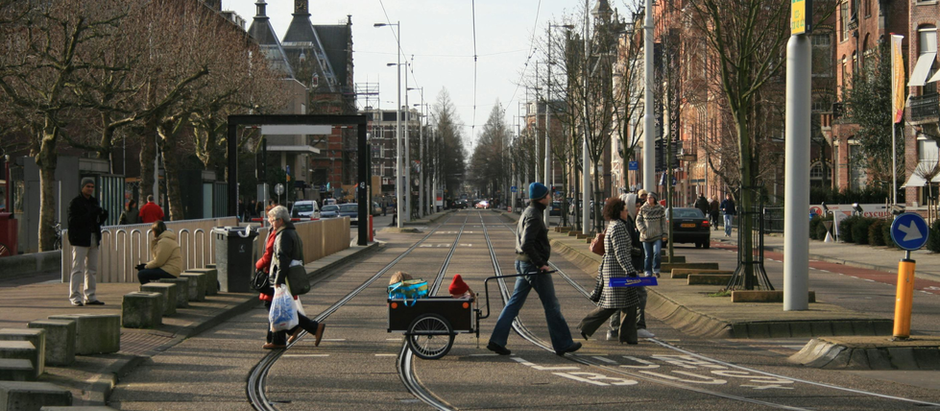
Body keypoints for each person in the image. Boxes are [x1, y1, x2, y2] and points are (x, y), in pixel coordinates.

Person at [487, 182, 582, 357]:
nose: (550, 198)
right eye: (548, 195)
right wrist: (540, 264)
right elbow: (527, 244)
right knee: (551, 305)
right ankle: (563, 343)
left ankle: (497, 340)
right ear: (541, 198)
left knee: (514, 303)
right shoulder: (534, 216)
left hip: (524, 263)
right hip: (533, 266)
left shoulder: (528, 212)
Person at [257, 205, 325, 349]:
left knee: (275, 306)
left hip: (282, 276)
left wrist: (278, 280)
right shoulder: (289, 232)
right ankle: (277, 339)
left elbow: (283, 258)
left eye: (272, 220)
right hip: (284, 275)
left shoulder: (283, 235)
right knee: (276, 306)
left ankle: (311, 327)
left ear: (280, 220)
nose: (270, 222)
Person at [577, 197, 640, 344]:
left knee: (630, 304)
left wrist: (634, 251)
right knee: (612, 305)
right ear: (619, 212)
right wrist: (629, 270)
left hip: (617, 268)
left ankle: (628, 337)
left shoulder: (615, 225)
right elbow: (620, 252)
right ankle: (585, 326)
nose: (627, 213)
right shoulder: (618, 227)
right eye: (625, 210)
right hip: (617, 270)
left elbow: (621, 247)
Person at [606, 193, 653, 340]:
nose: (639, 209)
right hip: (625, 268)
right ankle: (636, 326)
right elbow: (622, 249)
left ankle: (616, 329)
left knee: (620, 298)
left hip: (625, 267)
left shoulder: (629, 222)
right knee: (639, 294)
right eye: (636, 206)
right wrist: (637, 254)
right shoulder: (623, 224)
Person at [67, 178, 108, 306]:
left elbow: (95, 221)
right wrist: (91, 214)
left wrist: (102, 216)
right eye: (88, 186)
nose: (90, 189)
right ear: (82, 187)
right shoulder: (75, 203)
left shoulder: (93, 202)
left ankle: (90, 296)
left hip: (93, 237)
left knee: (92, 269)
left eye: (92, 187)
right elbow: (73, 221)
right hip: (80, 239)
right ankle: (75, 296)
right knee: (77, 268)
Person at [636, 192, 667, 278]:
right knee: (648, 255)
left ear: (654, 199)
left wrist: (665, 233)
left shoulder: (660, 209)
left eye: (651, 198)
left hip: (657, 235)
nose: (649, 199)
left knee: (657, 253)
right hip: (646, 236)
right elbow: (638, 220)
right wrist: (642, 229)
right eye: (648, 198)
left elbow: (663, 222)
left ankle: (656, 270)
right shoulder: (643, 208)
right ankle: (647, 271)